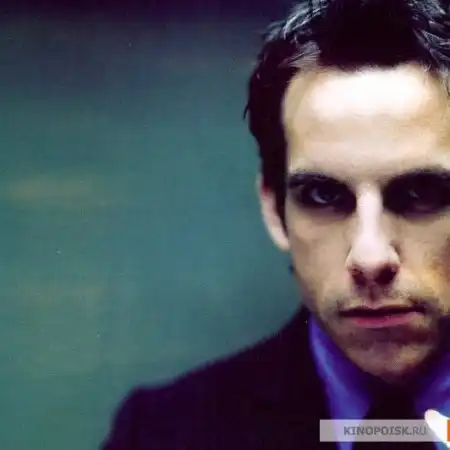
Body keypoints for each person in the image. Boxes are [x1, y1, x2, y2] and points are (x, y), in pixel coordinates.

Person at [101, 0, 450, 448]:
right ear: (273, 207)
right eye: (323, 196)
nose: (370, 257)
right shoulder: (160, 434)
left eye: (421, 193)